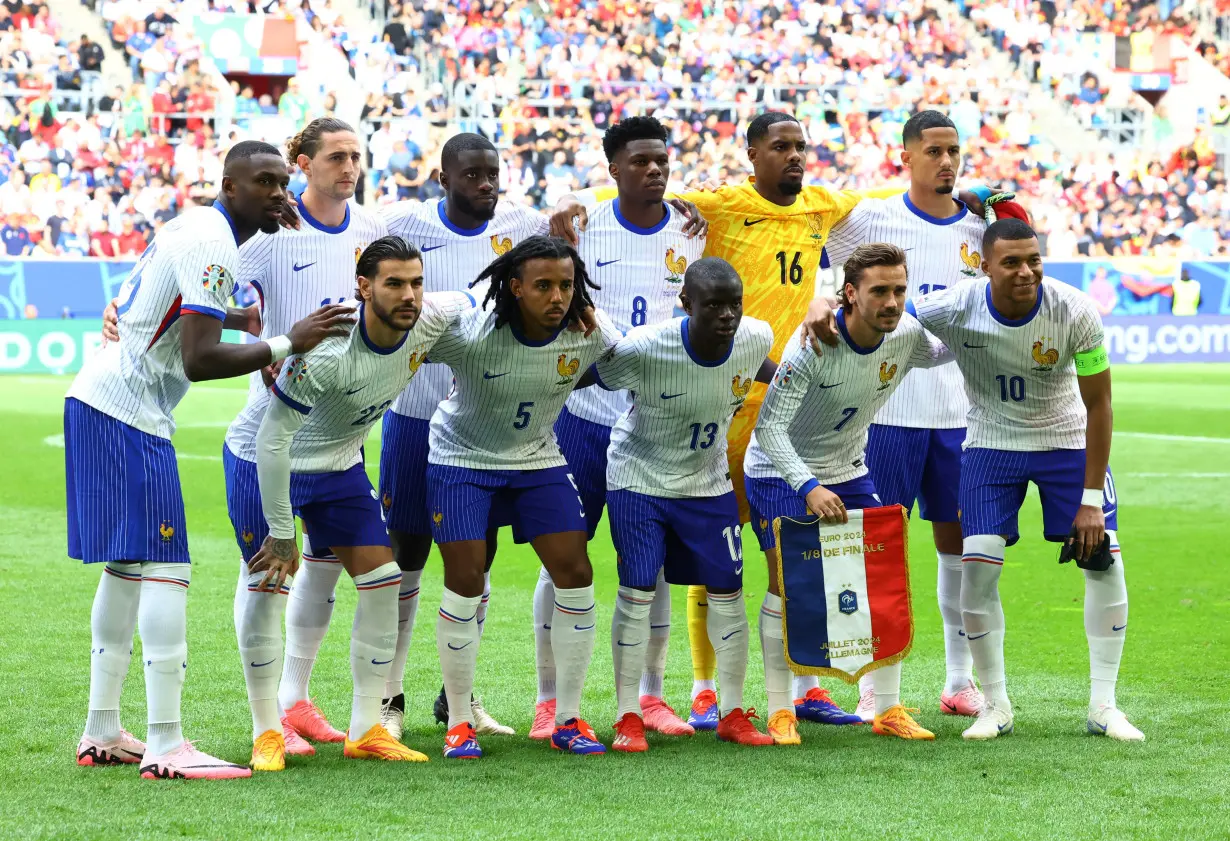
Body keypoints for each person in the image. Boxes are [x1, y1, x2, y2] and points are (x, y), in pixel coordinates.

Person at [553, 111, 884, 726]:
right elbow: (641, 187)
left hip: (790, 396)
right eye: (780, 146)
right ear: (753, 152)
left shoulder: (822, 207)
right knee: (716, 544)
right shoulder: (718, 206)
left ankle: (811, 685)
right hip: (719, 398)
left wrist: (824, 297)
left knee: (802, 549)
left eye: (800, 145)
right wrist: (574, 194)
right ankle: (704, 688)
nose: (794, 155)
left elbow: (884, 216)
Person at [66, 140, 351, 780]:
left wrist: (238, 316)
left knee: (127, 565)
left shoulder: (197, 226)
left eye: (283, 182)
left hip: (101, 400)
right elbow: (199, 357)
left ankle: (103, 728)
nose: (278, 193)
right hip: (127, 412)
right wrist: (285, 338)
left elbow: (169, 304)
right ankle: (167, 744)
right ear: (229, 183)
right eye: (263, 182)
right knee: (166, 565)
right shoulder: (214, 239)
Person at [808, 111, 1024, 720]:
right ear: (906, 156)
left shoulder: (980, 225)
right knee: (874, 548)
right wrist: (823, 296)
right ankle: (873, 682)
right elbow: (819, 255)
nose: (947, 162)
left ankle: (959, 680)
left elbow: (1026, 255)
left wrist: (998, 200)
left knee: (959, 550)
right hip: (887, 414)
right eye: (933, 151)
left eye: (954, 151)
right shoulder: (876, 219)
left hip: (960, 414)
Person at [247, 236, 476, 770]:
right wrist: (283, 532)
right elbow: (270, 441)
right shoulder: (330, 350)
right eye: (394, 283)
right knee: (266, 584)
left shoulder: (428, 316)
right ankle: (268, 730)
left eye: (416, 282)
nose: (409, 295)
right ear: (364, 287)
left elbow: (475, 301)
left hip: (340, 465)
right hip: (272, 463)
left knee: (383, 581)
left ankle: (366, 727)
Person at [909, 219, 1141, 742]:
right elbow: (890, 311)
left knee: (1103, 561)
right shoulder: (957, 305)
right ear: (984, 265)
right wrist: (825, 309)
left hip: (1067, 441)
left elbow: (1100, 404)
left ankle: (1105, 705)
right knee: (978, 569)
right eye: (1010, 262)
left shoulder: (1075, 309)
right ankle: (996, 705)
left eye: (1032, 259)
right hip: (991, 444)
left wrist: (1089, 499)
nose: (1025, 271)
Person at [220, 118, 389, 756]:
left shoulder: (373, 232)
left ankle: (297, 700)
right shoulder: (267, 238)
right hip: (276, 433)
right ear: (301, 162)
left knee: (326, 569)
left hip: (342, 438)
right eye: (336, 157)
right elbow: (214, 300)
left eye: (357, 157)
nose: (349, 168)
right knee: (268, 576)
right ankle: (268, 724)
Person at [534, 115, 706, 740]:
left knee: (652, 564)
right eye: (639, 161)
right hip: (584, 419)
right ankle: (550, 700)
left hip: (659, 422)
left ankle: (650, 696)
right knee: (562, 560)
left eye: (662, 159)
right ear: (613, 168)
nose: (654, 170)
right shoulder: (581, 227)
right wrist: (560, 202)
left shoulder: (693, 231)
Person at [745, 243, 950, 745]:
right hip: (777, 470)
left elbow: (952, 345)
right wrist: (809, 487)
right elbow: (769, 429)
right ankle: (780, 711)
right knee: (786, 585)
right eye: (880, 291)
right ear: (850, 294)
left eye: (899, 290)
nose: (892, 302)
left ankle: (888, 710)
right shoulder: (813, 344)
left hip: (848, 467)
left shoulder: (906, 336)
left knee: (881, 579)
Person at [426, 236, 619, 758]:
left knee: (576, 573)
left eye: (566, 285)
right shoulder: (472, 334)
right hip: (461, 460)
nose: (557, 296)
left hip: (537, 459)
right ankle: (460, 722)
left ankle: (568, 718)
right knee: (466, 578)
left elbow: (632, 359)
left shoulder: (588, 334)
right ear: (515, 288)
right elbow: (405, 342)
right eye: (543, 286)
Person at [595, 257, 775, 751]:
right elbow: (585, 374)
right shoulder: (647, 347)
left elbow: (766, 370)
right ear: (684, 304)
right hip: (639, 479)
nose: (726, 316)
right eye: (713, 305)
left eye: (733, 304)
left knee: (728, 591)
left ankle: (733, 713)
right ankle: (628, 716)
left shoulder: (756, 336)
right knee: (637, 591)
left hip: (707, 482)